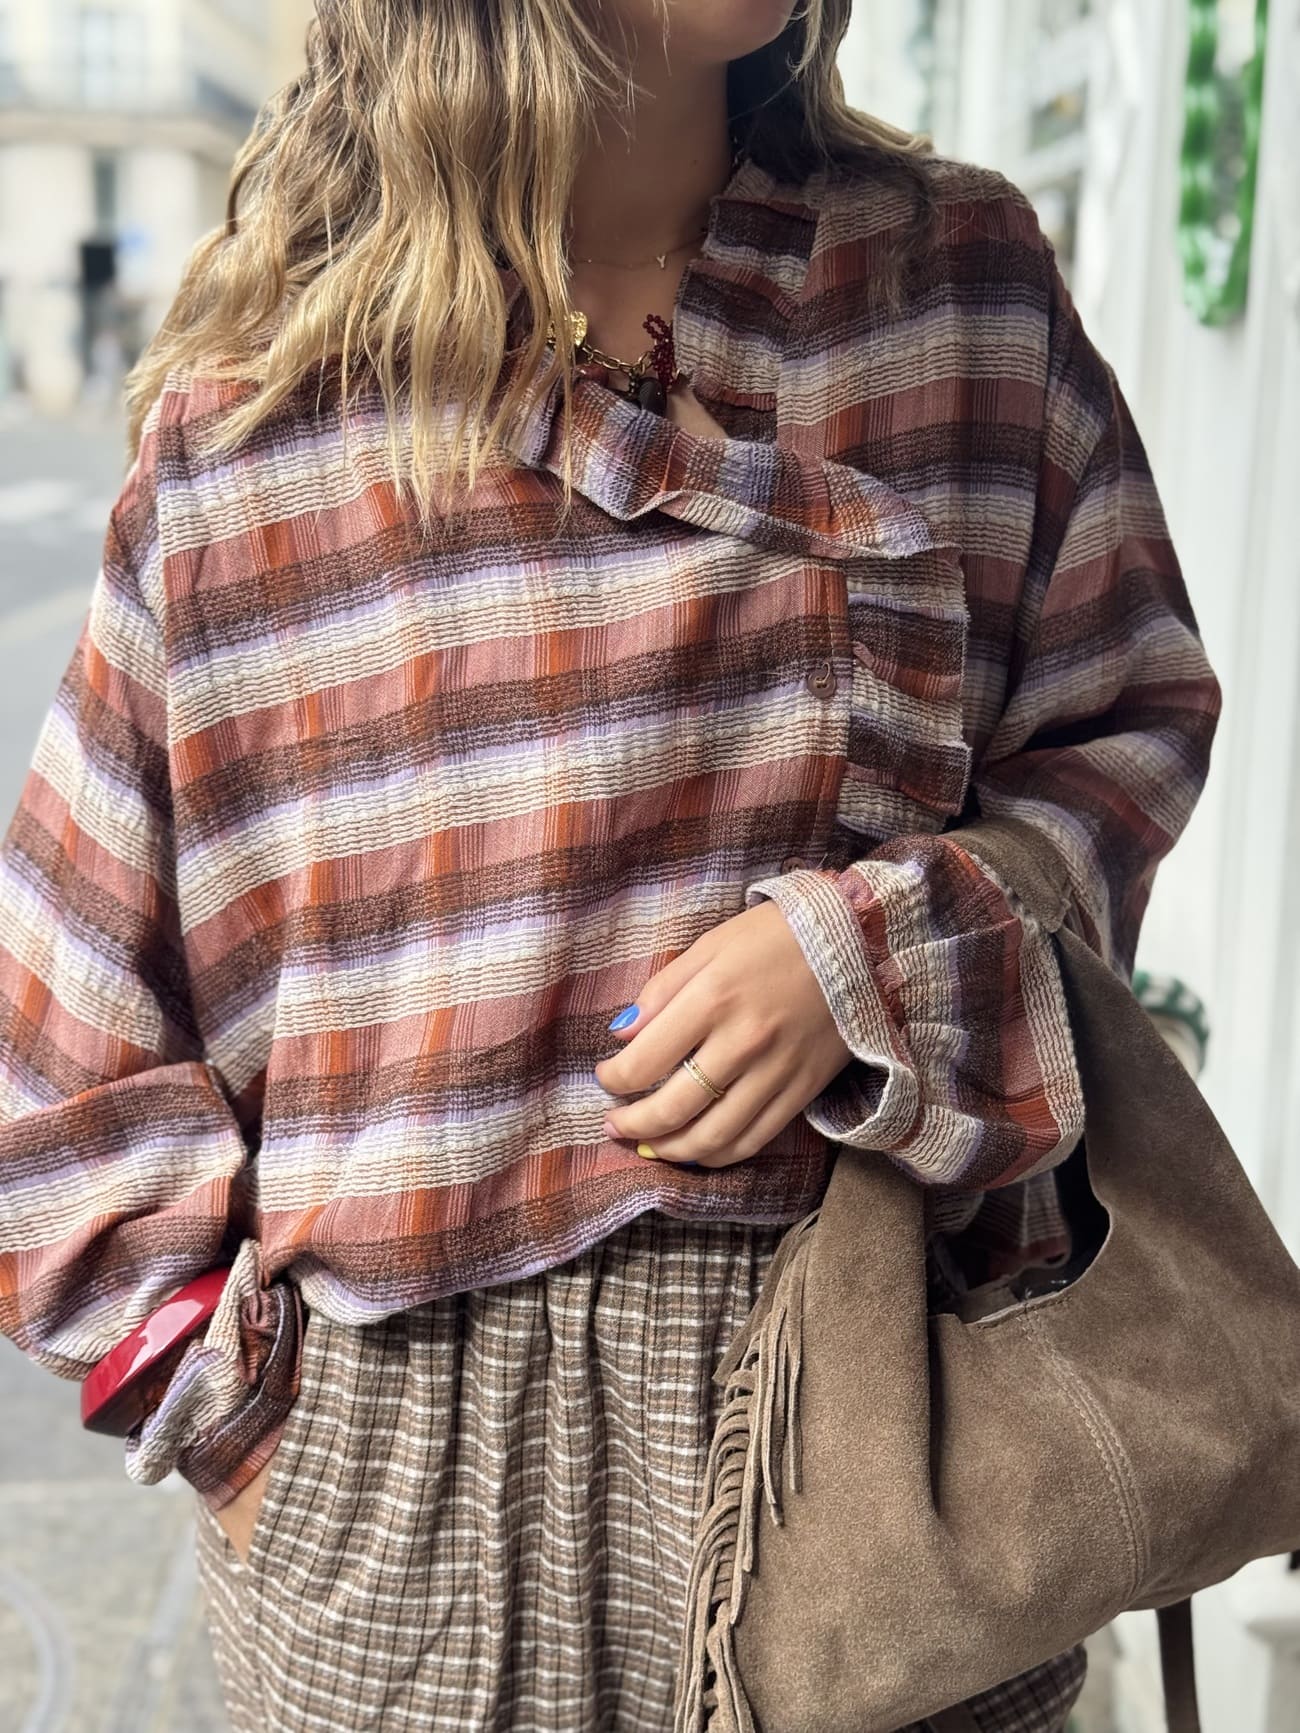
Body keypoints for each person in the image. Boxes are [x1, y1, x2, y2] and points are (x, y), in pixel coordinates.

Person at [0, 2, 1221, 1730]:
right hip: (407, 1516)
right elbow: (63, 1036)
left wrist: (880, 951)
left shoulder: (958, 300)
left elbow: (1124, 732)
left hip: (885, 1449)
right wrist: (258, 1440)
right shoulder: (269, 413)